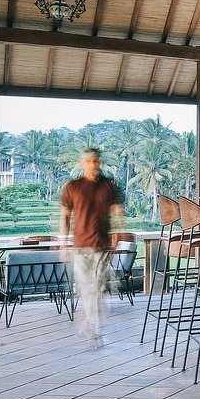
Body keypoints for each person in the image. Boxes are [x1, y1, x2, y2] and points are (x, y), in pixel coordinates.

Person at [59, 148, 125, 349]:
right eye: (89, 161)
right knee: (86, 287)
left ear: (99, 162)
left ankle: (94, 330)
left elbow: (117, 211)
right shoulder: (72, 187)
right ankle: (89, 322)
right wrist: (63, 243)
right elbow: (65, 217)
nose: (93, 165)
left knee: (97, 287)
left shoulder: (108, 186)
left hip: (101, 245)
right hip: (80, 246)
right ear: (82, 163)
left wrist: (117, 232)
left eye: (96, 161)